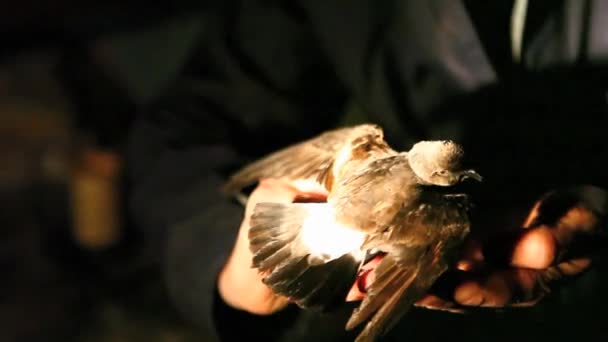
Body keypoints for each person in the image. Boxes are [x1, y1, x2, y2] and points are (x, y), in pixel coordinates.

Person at [125, 1, 608, 341]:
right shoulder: (440, 209)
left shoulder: (363, 144)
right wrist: (226, 264)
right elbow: (186, 123)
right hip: (354, 264)